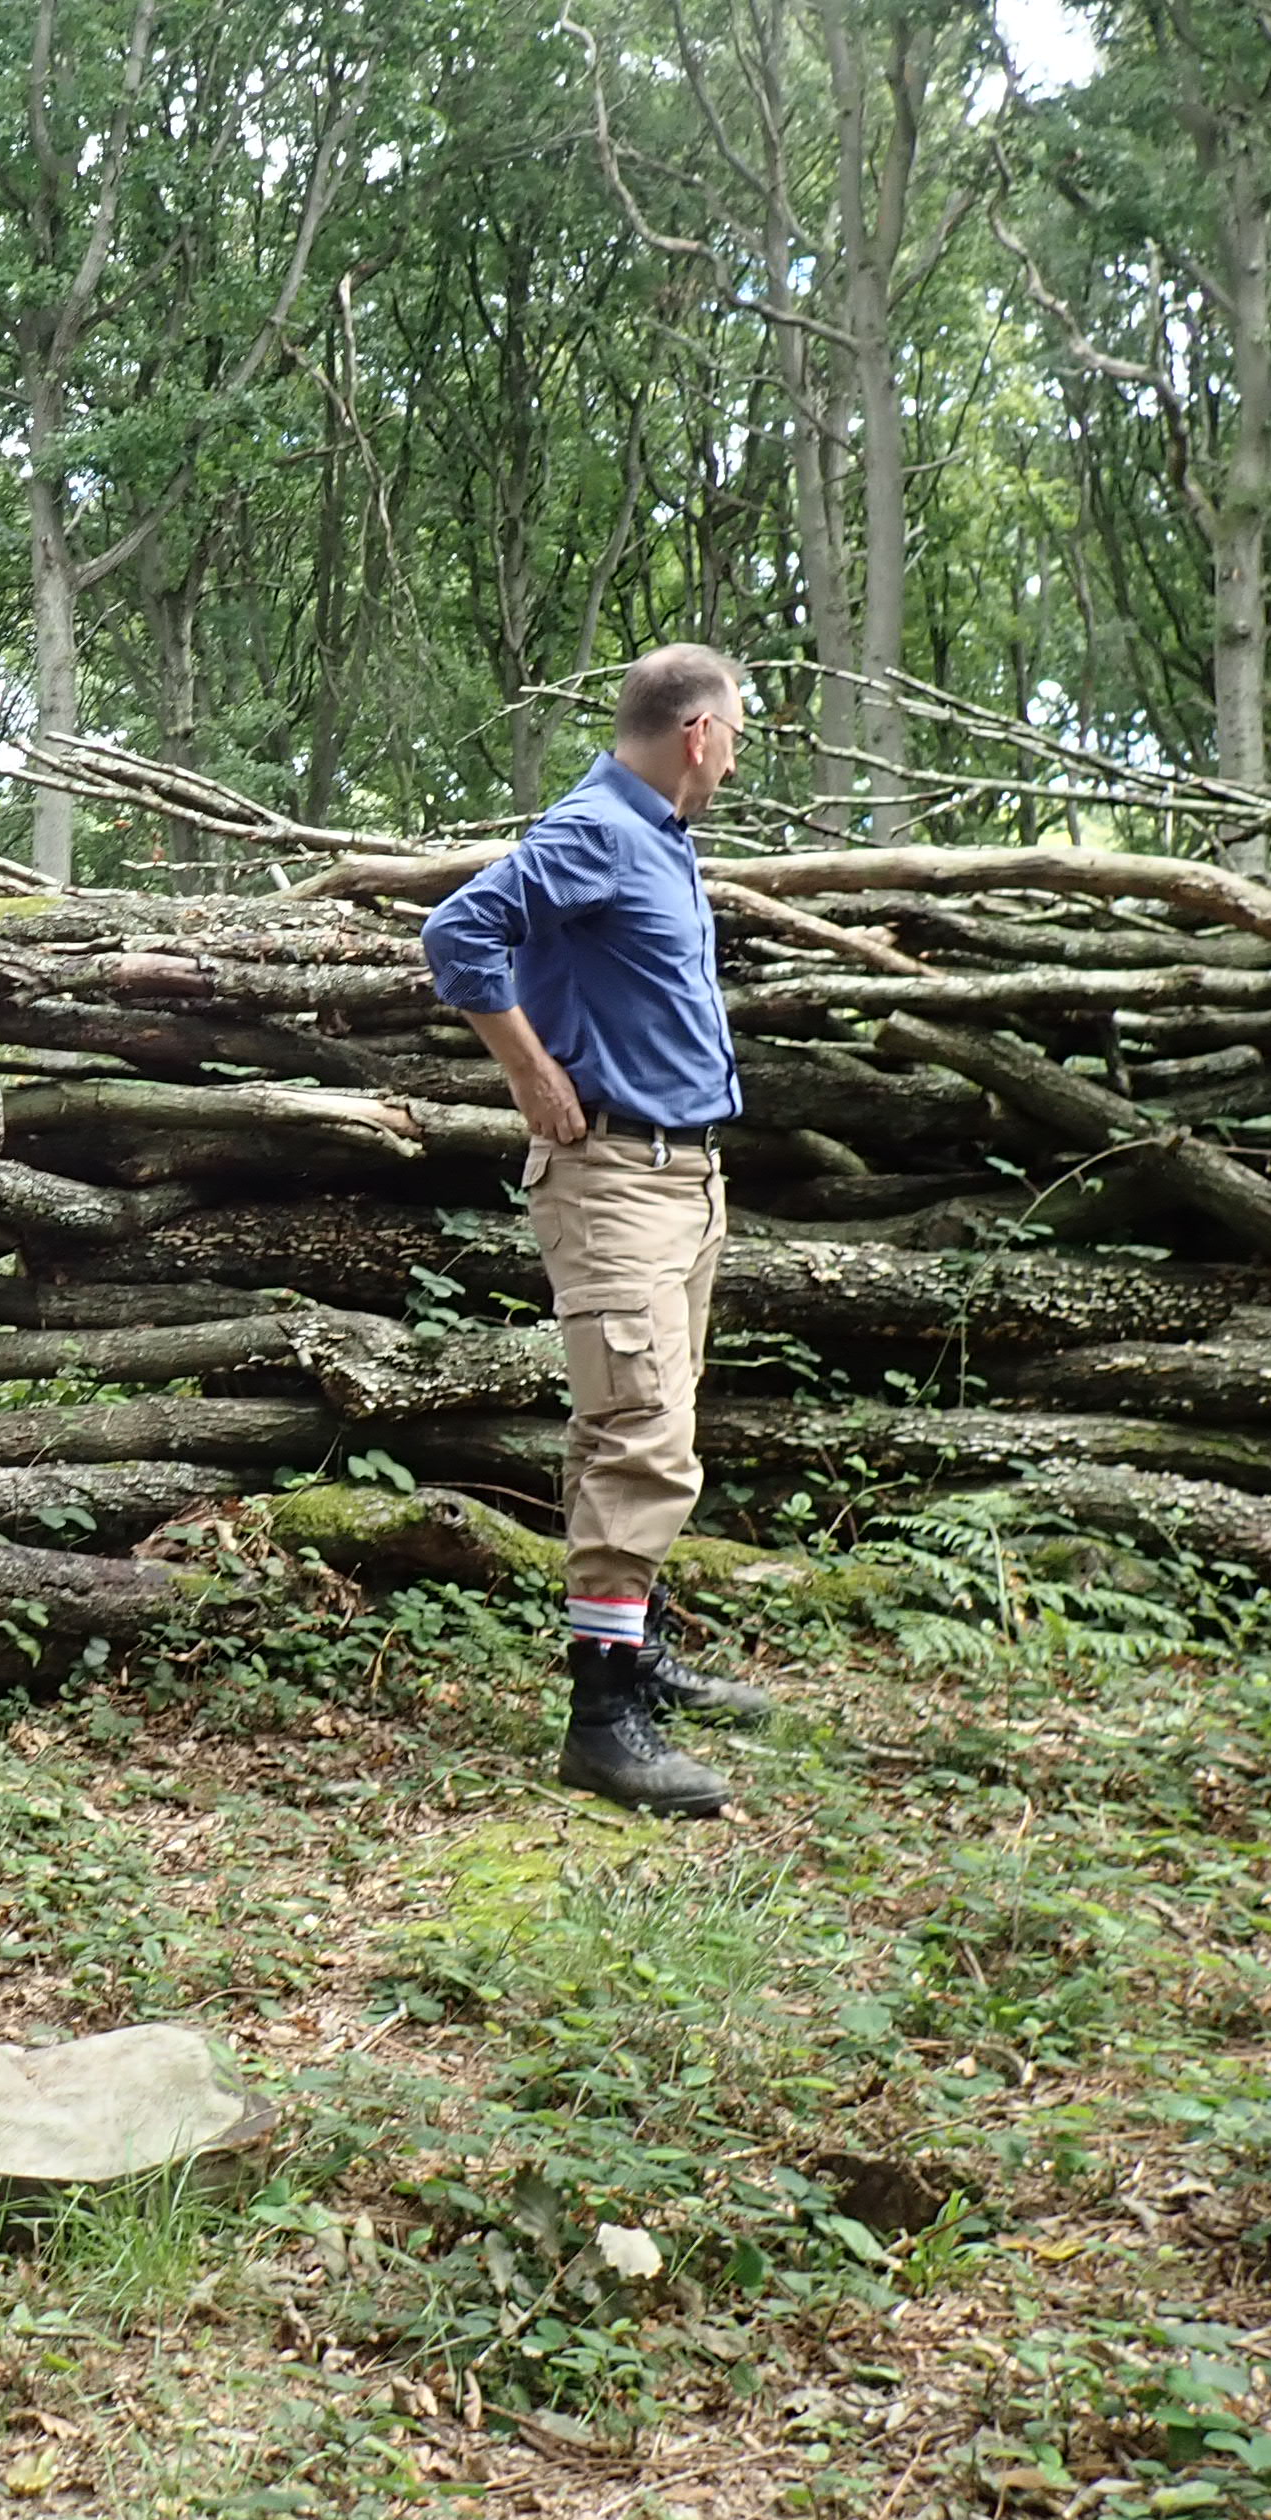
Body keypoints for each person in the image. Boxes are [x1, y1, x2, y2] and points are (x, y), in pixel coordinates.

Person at [419, 641, 775, 1818]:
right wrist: (527, 1073)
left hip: (683, 1185)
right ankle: (601, 1722)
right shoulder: (597, 830)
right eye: (736, 728)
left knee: (641, 1427)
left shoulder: (658, 841)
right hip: (615, 1177)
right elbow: (456, 935)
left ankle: (641, 1653)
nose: (737, 750)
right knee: (640, 1437)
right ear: (696, 732)